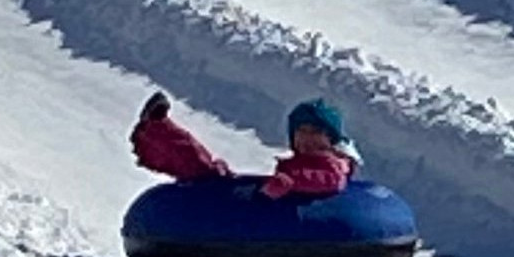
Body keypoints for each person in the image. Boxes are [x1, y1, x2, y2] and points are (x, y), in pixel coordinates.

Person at [129, 93, 362, 198]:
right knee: (207, 172)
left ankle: (156, 130)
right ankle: (156, 129)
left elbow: (331, 180)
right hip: (266, 205)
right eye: (302, 131)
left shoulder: (334, 162)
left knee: (207, 174)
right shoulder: (305, 160)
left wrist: (291, 181)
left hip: (279, 222)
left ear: (331, 140)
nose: (308, 138)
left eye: (317, 133)